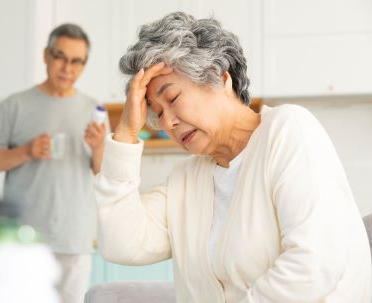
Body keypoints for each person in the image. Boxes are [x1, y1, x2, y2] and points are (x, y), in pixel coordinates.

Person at [93, 12, 371, 303]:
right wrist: (125, 132)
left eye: (172, 98)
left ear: (219, 77)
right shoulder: (186, 179)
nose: (166, 124)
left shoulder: (288, 129)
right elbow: (119, 243)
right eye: (158, 113)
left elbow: (315, 265)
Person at [0, 23, 108, 303]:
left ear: (84, 66)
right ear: (46, 55)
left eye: (76, 61)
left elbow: (103, 173)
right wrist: (26, 151)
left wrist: (99, 147)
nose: (67, 68)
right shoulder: (15, 105)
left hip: (74, 237)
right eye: (60, 56)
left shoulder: (93, 109)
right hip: (23, 238)